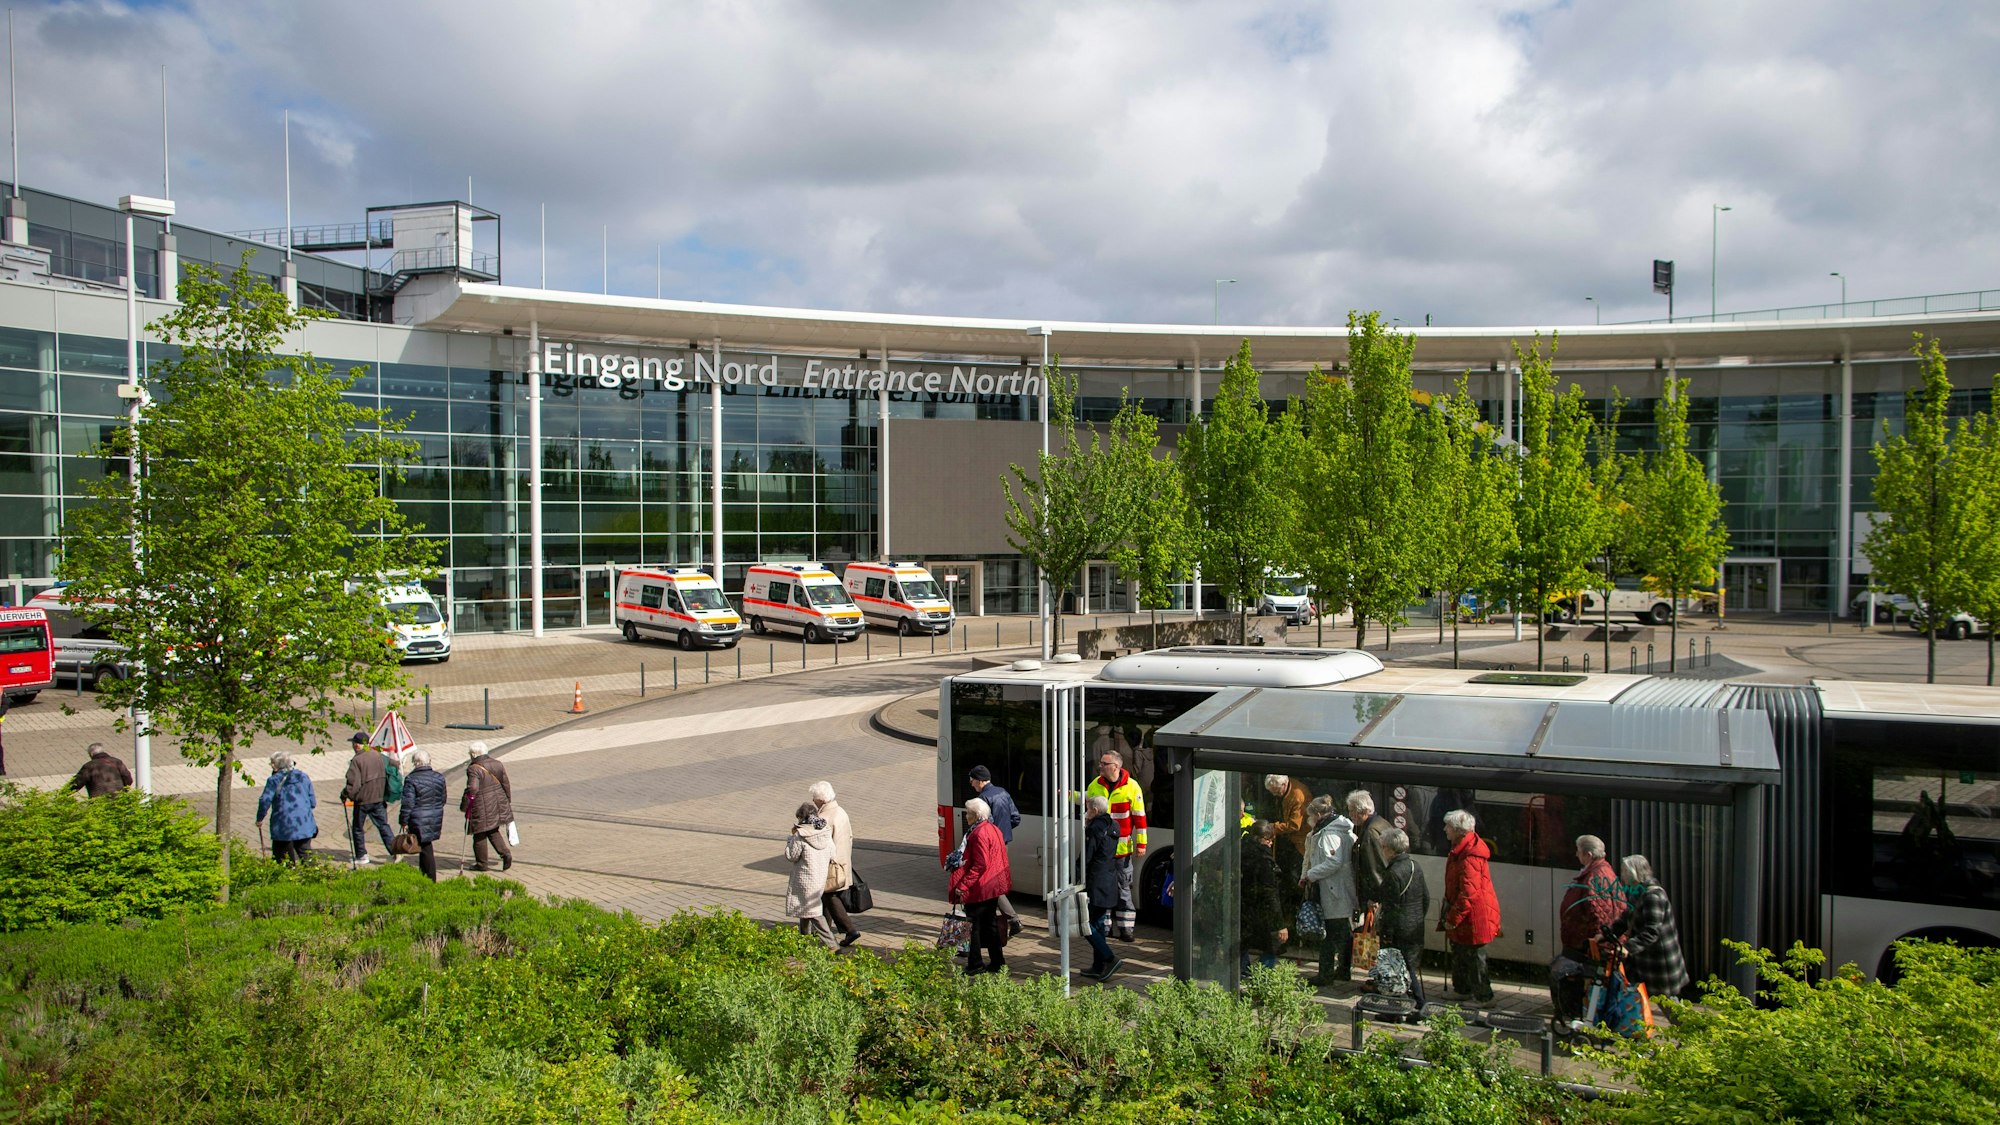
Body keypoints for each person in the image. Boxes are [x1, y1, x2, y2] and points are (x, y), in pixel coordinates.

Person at [1550, 835, 1628, 1022]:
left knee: (1562, 972)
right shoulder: (1599, 871)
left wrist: (1599, 940)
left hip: (1587, 944)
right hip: (1584, 942)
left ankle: (1571, 1014)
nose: (1576, 854)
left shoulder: (1595, 876)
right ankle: (1571, 1013)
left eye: (1578, 851)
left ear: (1588, 854)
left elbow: (1601, 914)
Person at [1604, 854, 1690, 1002]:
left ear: (1634, 873)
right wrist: (1607, 934)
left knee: (1666, 1001)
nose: (1622, 875)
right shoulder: (1637, 891)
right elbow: (1626, 918)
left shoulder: (1653, 896)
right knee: (1638, 997)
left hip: (1659, 961)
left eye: (1625, 871)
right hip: (1644, 961)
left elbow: (1651, 931)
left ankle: (1685, 1025)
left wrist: (1628, 947)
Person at [1438, 809, 1500, 1003]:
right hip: (1469, 915)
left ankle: (1484, 997)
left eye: (1448, 826)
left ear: (1458, 830)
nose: (1444, 829)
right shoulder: (1464, 849)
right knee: (1462, 953)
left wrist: (1452, 918)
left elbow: (1469, 893)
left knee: (1474, 957)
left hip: (1473, 917)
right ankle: (1463, 990)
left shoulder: (1469, 855)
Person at [1086, 748, 1147, 941]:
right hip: (1103, 851)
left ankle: (1126, 928)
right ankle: (1105, 927)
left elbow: (1139, 817)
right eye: (1101, 763)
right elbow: (1088, 802)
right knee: (1104, 888)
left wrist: (1141, 844)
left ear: (1116, 767)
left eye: (1104, 764)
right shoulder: (1095, 784)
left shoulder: (1132, 786)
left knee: (1123, 888)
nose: (1100, 766)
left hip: (1121, 850)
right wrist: (1070, 795)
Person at [948, 796, 1013, 975]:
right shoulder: (993, 829)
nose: (965, 816)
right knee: (990, 924)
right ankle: (998, 962)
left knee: (973, 927)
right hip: (992, 886)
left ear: (976, 815)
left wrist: (964, 885)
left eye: (968, 813)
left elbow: (980, 864)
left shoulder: (978, 833)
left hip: (980, 888)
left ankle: (975, 964)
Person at [1300, 793, 1358, 986]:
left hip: (1334, 890)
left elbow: (1333, 861)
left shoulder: (1330, 834)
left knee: (1329, 934)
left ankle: (1326, 974)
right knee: (1341, 933)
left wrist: (1311, 874)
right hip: (1337, 889)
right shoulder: (1337, 829)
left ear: (1317, 814)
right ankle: (1342, 970)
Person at [1374, 827, 1431, 1006]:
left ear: (1390, 849)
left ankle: (1403, 1008)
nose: (1382, 850)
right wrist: (1417, 917)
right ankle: (1415, 1004)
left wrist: (1386, 933)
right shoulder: (1415, 866)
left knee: (1396, 969)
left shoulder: (1393, 873)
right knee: (1409, 967)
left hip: (1398, 929)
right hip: (1415, 925)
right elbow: (1426, 898)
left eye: (1383, 847)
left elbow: (1391, 907)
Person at [969, 765, 1024, 938]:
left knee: (990, 884)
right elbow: (1016, 818)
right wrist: (1003, 834)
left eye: (972, 781)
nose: (971, 785)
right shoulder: (1003, 792)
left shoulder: (983, 798)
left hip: (991, 847)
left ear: (979, 780)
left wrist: (994, 836)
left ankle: (1011, 920)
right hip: (1004, 844)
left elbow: (985, 827)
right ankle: (1009, 921)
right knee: (994, 882)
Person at [809, 780, 862, 948]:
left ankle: (849, 930)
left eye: (814, 798)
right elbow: (850, 837)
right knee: (828, 896)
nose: (813, 801)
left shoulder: (824, 818)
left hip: (831, 865)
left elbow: (820, 843)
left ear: (821, 800)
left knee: (829, 895)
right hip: (843, 861)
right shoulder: (841, 812)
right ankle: (825, 932)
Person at [1265, 775, 1313, 937]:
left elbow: (1294, 824)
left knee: (1295, 879)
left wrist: (1272, 827)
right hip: (1290, 841)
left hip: (1299, 843)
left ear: (1284, 785)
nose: (1275, 795)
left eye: (1276, 791)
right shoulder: (1286, 792)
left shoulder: (1297, 796)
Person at [1081, 793, 1122, 981]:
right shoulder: (1113, 825)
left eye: (1088, 808)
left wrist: (1075, 875)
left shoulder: (1095, 828)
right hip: (1109, 879)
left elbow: (1087, 857)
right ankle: (1098, 967)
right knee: (1097, 922)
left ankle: (1110, 958)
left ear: (1095, 811)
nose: (1086, 812)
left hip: (1096, 882)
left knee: (1084, 923)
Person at [786, 800, 838, 949]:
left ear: (802, 818)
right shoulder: (825, 831)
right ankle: (803, 938)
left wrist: (791, 839)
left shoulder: (800, 835)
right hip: (819, 877)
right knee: (805, 907)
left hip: (804, 878)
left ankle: (832, 945)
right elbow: (833, 854)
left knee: (813, 912)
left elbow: (791, 856)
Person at [1239, 819, 1288, 972]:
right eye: (1269, 840)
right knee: (1272, 945)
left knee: (1242, 944)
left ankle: (1242, 970)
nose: (1271, 843)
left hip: (1243, 907)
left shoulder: (1241, 851)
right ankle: (1262, 977)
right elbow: (1270, 893)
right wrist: (1280, 925)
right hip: (1262, 911)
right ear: (1262, 839)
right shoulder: (1264, 860)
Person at [340, 732, 394, 864]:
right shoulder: (378, 755)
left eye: (353, 743)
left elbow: (353, 783)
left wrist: (345, 795)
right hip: (379, 798)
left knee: (358, 828)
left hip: (363, 800)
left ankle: (361, 855)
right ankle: (395, 851)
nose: (353, 746)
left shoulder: (357, 760)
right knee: (383, 826)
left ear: (357, 745)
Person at [461, 740, 515, 872]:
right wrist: (507, 801)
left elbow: (473, 788)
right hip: (498, 802)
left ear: (473, 754)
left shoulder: (473, 769)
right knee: (492, 830)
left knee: (479, 834)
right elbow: (505, 784)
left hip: (481, 805)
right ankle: (505, 854)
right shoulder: (497, 764)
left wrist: (465, 805)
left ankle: (481, 864)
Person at [254, 750, 317, 863]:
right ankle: (315, 877)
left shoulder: (274, 780)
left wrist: (260, 818)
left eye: (272, 763)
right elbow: (312, 802)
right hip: (304, 822)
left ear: (276, 765)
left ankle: (288, 878)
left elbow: (265, 800)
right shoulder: (303, 777)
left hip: (283, 825)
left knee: (283, 858)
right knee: (306, 854)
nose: (271, 765)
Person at [398, 749, 448, 881]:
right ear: (429, 761)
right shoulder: (439, 777)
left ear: (415, 763)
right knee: (424, 845)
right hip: (435, 815)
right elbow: (443, 799)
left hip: (417, 817)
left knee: (425, 848)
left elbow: (408, 803)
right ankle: (424, 875)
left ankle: (430, 879)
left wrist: (403, 820)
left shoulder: (411, 779)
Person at [65, 742, 133, 798]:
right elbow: (128, 778)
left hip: (99, 800)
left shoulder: (89, 766)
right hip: (119, 798)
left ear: (91, 754)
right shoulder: (116, 762)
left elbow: (77, 783)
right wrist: (123, 790)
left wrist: (63, 793)